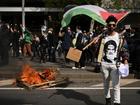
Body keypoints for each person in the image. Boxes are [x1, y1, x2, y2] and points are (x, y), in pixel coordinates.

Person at [94, 15, 129, 105]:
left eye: (113, 25)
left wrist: (125, 61)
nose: (111, 27)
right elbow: (98, 50)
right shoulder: (103, 37)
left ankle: (117, 102)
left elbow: (124, 49)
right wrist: (95, 41)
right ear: (107, 25)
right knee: (106, 85)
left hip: (115, 65)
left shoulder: (120, 37)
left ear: (115, 26)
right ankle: (108, 100)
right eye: (109, 25)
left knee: (116, 86)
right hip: (104, 64)